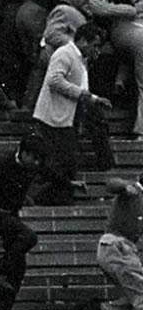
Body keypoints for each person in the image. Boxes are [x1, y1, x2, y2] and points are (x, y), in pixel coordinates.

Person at [31, 23, 110, 206]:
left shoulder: (81, 58)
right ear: (83, 40)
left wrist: (95, 99)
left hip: (66, 117)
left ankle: (60, 198)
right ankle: (47, 198)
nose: (96, 49)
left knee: (66, 162)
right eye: (94, 45)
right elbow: (54, 80)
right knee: (61, 162)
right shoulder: (65, 54)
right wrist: (83, 95)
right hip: (53, 118)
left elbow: (81, 85)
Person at [0, 134, 46, 310]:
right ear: (24, 153)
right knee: (29, 237)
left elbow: (50, 173)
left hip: (12, 215)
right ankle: (0, 272)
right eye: (33, 158)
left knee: (18, 267)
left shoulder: (32, 166)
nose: (36, 163)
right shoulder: (3, 162)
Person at [97, 178, 143, 310]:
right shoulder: (132, 191)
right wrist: (125, 186)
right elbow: (111, 184)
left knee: (133, 294)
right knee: (139, 292)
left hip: (123, 247)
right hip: (117, 245)